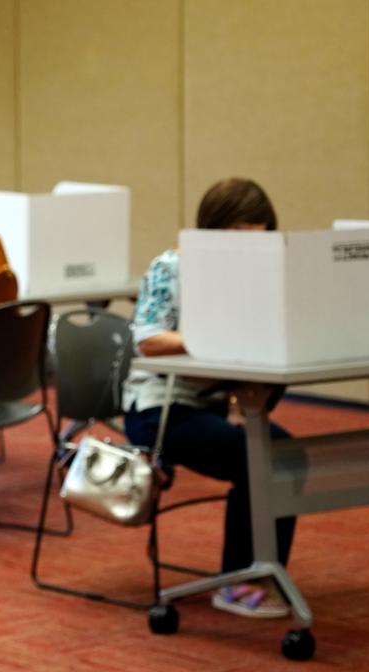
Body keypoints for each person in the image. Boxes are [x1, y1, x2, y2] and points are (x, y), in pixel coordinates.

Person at [122, 177, 297, 618]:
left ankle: (263, 574)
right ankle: (238, 580)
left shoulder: (264, 275)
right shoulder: (170, 267)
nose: (246, 252)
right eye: (237, 238)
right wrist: (214, 334)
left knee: (285, 458)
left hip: (224, 403)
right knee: (258, 460)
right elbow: (148, 340)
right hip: (159, 408)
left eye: (258, 240)